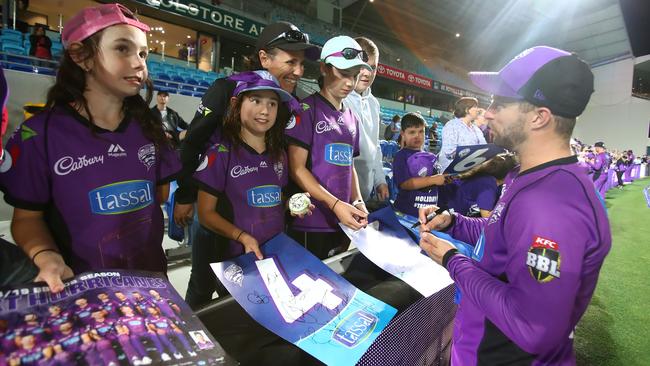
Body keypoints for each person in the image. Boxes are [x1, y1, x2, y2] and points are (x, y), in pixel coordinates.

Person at [418, 46, 611, 365]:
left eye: (501, 102)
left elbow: (532, 327)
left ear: (539, 117)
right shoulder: (532, 175)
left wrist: (452, 259)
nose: (488, 112)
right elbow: (505, 236)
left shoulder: (550, 204)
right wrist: (454, 222)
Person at [0, 3, 180, 293]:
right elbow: (26, 219)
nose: (139, 63)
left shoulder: (150, 128)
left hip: (151, 287)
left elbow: (158, 194)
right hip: (80, 291)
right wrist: (47, 256)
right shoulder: (39, 134)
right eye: (123, 49)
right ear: (80, 56)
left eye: (143, 53)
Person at [174, 22, 319, 308]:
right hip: (217, 209)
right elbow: (193, 142)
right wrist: (185, 195)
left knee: (256, 294)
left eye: (302, 64)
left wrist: (291, 200)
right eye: (291, 62)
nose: (299, 72)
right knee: (203, 289)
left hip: (263, 218)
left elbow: (286, 158)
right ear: (264, 58)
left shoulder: (292, 102)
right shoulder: (226, 88)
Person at [286, 35, 370, 259]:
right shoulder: (306, 110)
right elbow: (297, 169)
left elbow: (349, 164)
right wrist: (335, 205)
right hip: (311, 221)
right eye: (343, 74)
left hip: (343, 220)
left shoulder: (353, 117)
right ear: (324, 68)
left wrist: (358, 200)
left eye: (354, 76)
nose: (350, 83)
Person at [342, 37, 389, 206]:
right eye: (363, 66)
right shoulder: (339, 99)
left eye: (373, 67)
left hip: (365, 194)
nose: (368, 73)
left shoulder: (374, 103)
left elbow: (374, 145)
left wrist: (379, 180)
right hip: (339, 194)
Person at [392, 112, 446, 217]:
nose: (417, 136)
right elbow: (405, 184)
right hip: (407, 214)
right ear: (403, 133)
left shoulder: (432, 157)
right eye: (412, 132)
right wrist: (433, 179)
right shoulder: (401, 156)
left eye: (421, 131)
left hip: (428, 214)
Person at [439, 153, 517, 218]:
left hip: (446, 209)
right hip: (446, 215)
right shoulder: (488, 186)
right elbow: (487, 217)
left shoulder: (485, 176)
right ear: (509, 175)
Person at [438, 97, 487, 172]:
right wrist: (471, 153)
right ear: (467, 110)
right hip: (451, 172)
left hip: (469, 170)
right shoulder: (452, 125)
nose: (478, 109)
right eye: (475, 107)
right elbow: (449, 153)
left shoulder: (476, 129)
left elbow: (484, 147)